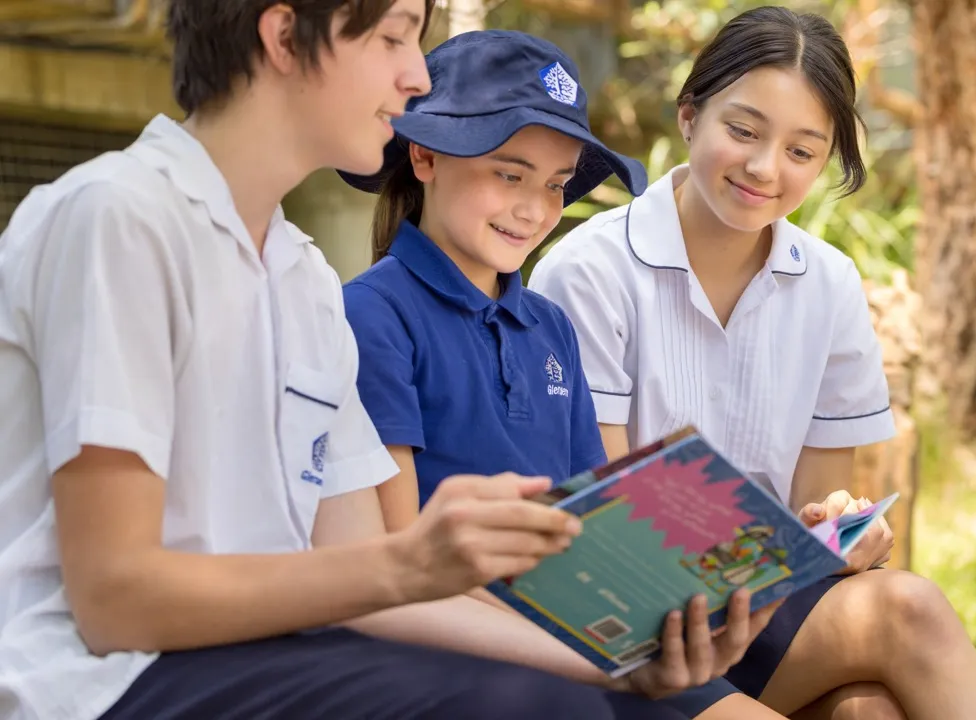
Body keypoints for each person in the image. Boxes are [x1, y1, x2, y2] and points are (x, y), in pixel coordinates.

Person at [0, 3, 707, 719]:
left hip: (279, 654)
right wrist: (413, 560)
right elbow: (114, 601)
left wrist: (617, 665)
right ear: (283, 38)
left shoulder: (303, 280)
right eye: (394, 37)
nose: (413, 76)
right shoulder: (117, 217)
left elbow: (374, 591)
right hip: (108, 680)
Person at [528, 6, 976, 720]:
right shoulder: (591, 272)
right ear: (690, 115)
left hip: (752, 619)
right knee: (892, 639)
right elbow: (606, 530)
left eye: (801, 151)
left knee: (873, 700)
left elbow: (811, 518)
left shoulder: (828, 283)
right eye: (744, 131)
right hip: (625, 637)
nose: (765, 169)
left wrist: (842, 534)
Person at [338, 29, 788, 719]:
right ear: (425, 155)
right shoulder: (374, 315)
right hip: (477, 659)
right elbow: (402, 563)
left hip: (599, 639)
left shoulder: (549, 327)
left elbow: (591, 521)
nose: (534, 210)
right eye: (509, 174)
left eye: (554, 186)